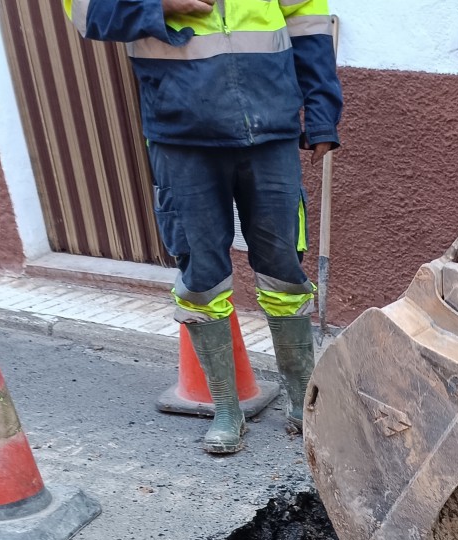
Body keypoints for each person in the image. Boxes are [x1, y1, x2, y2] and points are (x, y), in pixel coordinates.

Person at [64, 0, 343, 454]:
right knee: (202, 276)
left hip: (270, 128)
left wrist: (322, 113)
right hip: (181, 135)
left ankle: (302, 404)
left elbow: (308, 21)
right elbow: (84, 12)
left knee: (284, 268)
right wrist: (159, 5)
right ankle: (227, 411)